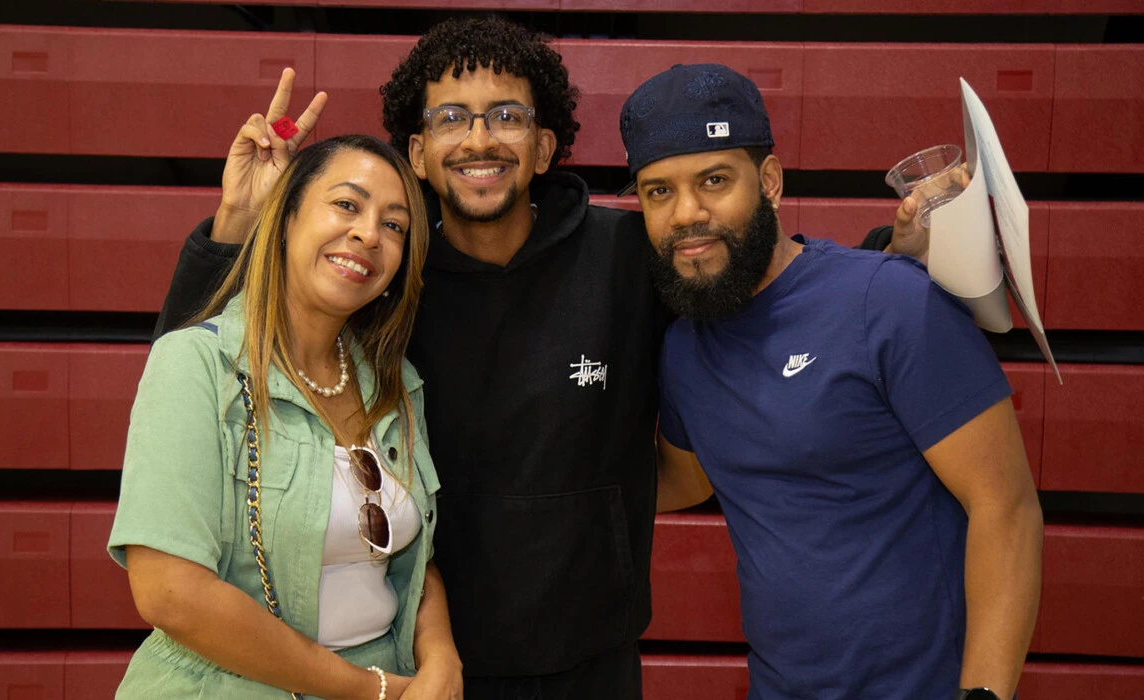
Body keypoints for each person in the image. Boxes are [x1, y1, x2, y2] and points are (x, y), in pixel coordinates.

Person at [151, 18, 922, 698]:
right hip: (428, 661)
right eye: (452, 117)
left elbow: (749, 286)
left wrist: (891, 258)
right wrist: (235, 221)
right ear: (418, 152)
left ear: (546, 145)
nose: (480, 138)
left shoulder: (626, 255)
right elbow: (211, 371)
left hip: (593, 656)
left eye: (506, 117)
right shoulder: (391, 278)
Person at [624, 63, 1043, 700]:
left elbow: (1007, 509)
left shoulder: (892, 301)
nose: (687, 213)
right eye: (658, 191)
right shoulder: (685, 349)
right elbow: (687, 478)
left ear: (768, 182)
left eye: (714, 180)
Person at [108, 134, 463, 700]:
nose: (369, 234)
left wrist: (441, 657)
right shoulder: (196, 365)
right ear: (287, 215)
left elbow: (409, 560)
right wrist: (368, 690)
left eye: (393, 225)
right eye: (347, 205)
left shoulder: (395, 385)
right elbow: (169, 592)